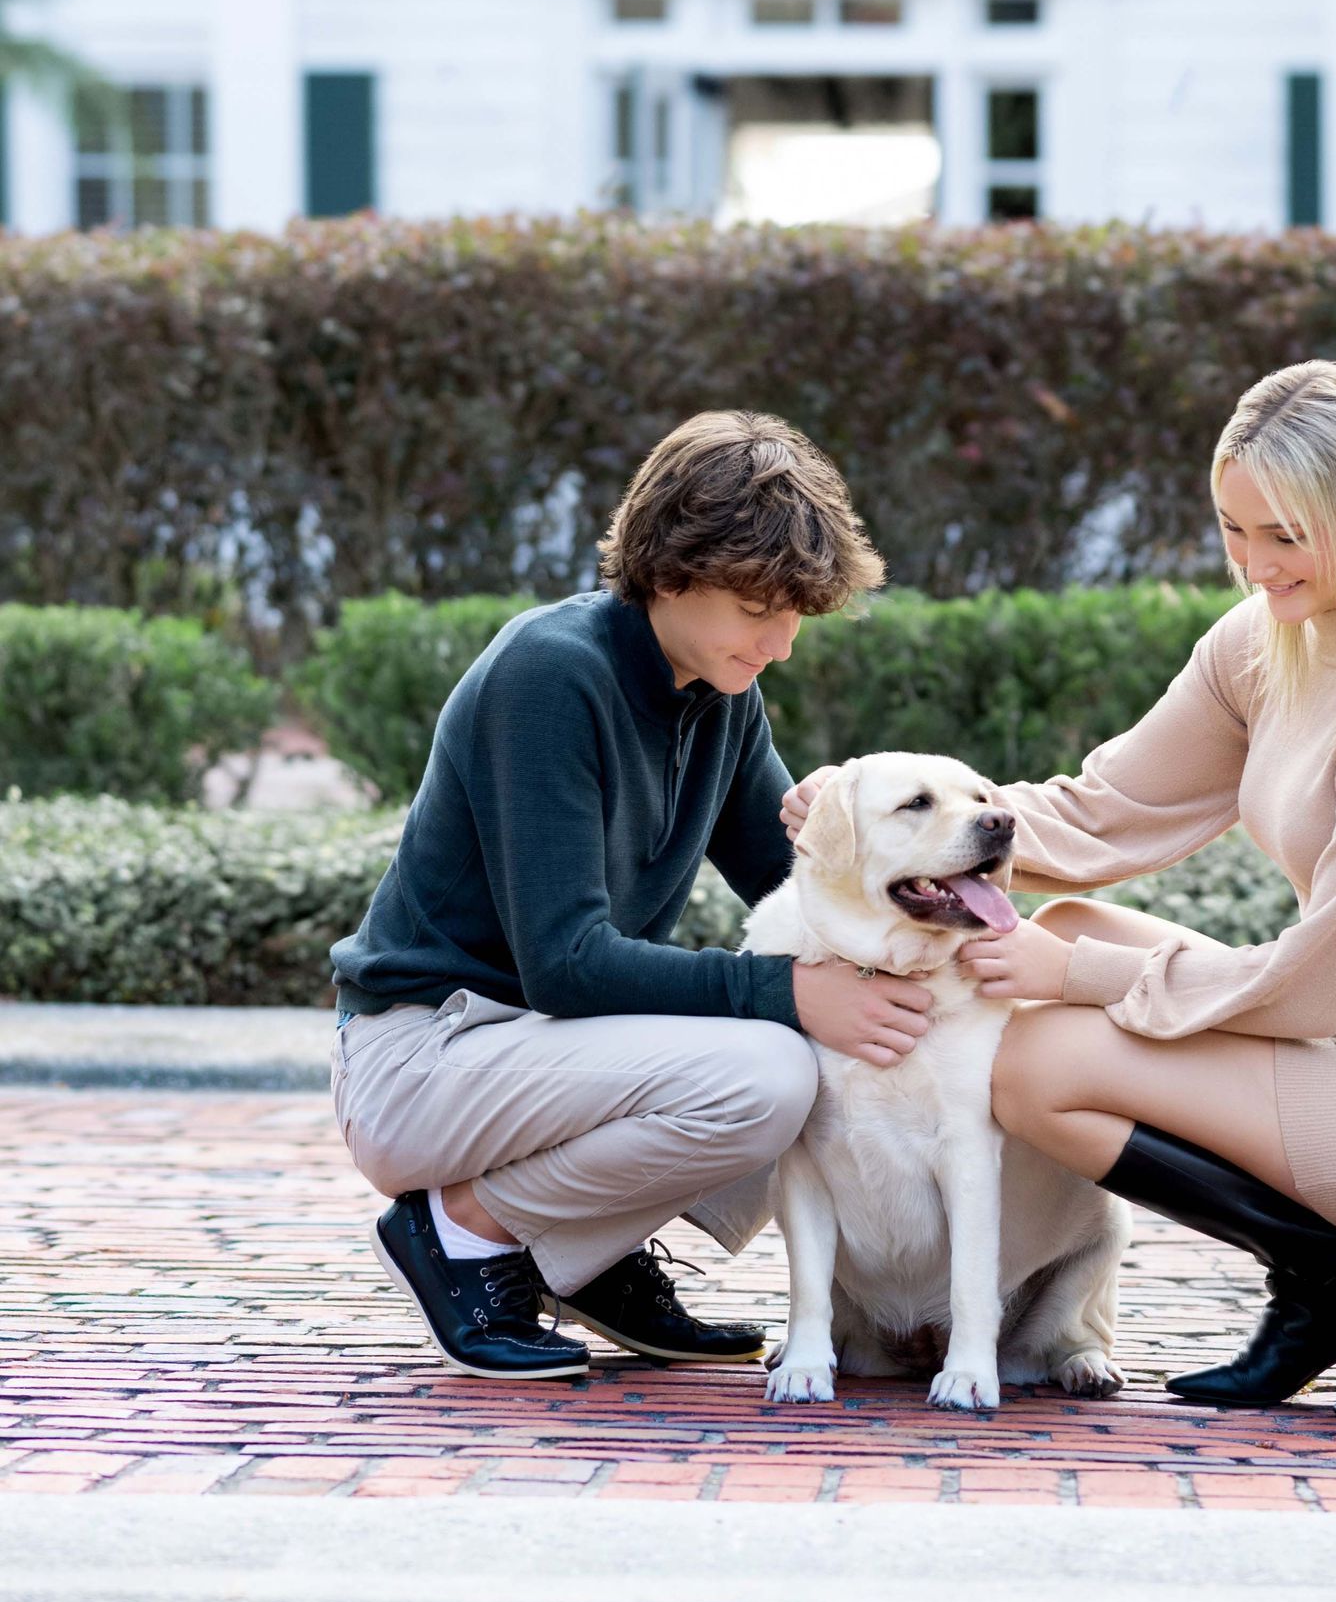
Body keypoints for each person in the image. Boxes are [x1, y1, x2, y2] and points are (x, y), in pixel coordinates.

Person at [785, 360, 1336, 1420]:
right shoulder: (1266, 641)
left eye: (1286, 536)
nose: (1254, 564)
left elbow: (1316, 989)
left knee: (1033, 1056)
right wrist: (901, 822)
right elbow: (1103, 812)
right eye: (1232, 528)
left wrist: (1076, 972)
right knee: (1055, 931)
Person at [330, 409, 934, 1382]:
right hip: (428, 1052)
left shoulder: (723, 694)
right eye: (758, 609)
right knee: (769, 1070)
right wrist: (792, 993)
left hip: (547, 1057)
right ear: (673, 568)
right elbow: (566, 965)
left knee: (828, 1041)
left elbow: (794, 893)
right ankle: (462, 1233)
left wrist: (852, 841)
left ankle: (585, 1254)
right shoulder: (551, 675)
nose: (780, 643)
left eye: (795, 615)